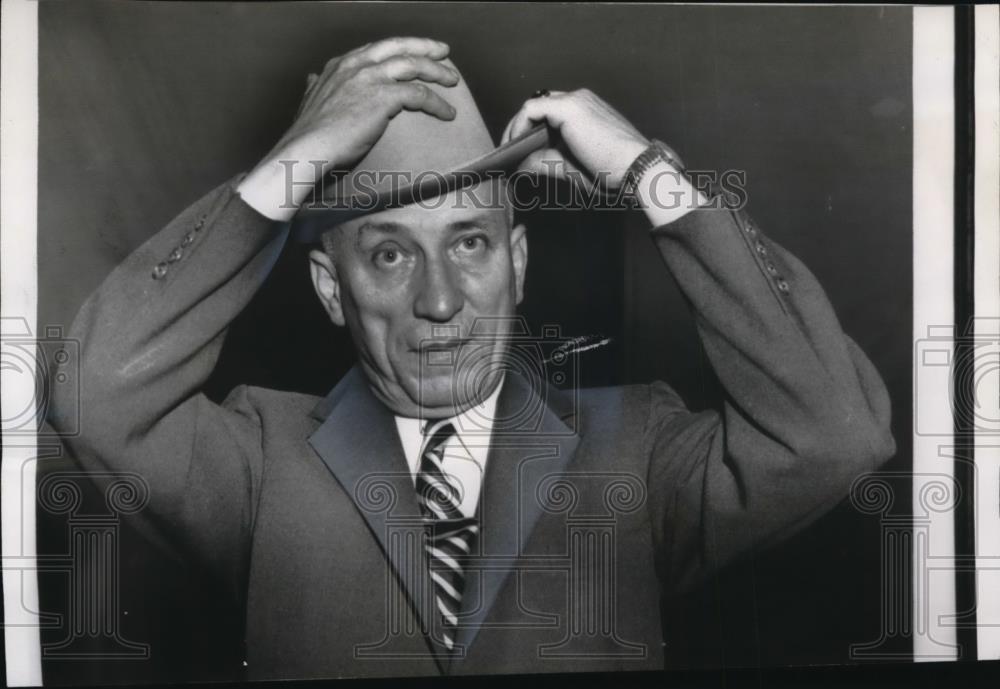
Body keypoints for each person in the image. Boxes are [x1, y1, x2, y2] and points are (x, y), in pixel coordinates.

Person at [49, 37, 895, 679]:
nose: (441, 299)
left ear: (518, 263)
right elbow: (93, 395)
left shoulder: (637, 445)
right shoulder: (259, 461)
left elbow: (835, 433)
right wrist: (289, 167)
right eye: (388, 254)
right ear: (330, 288)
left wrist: (650, 176)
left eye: (470, 244)